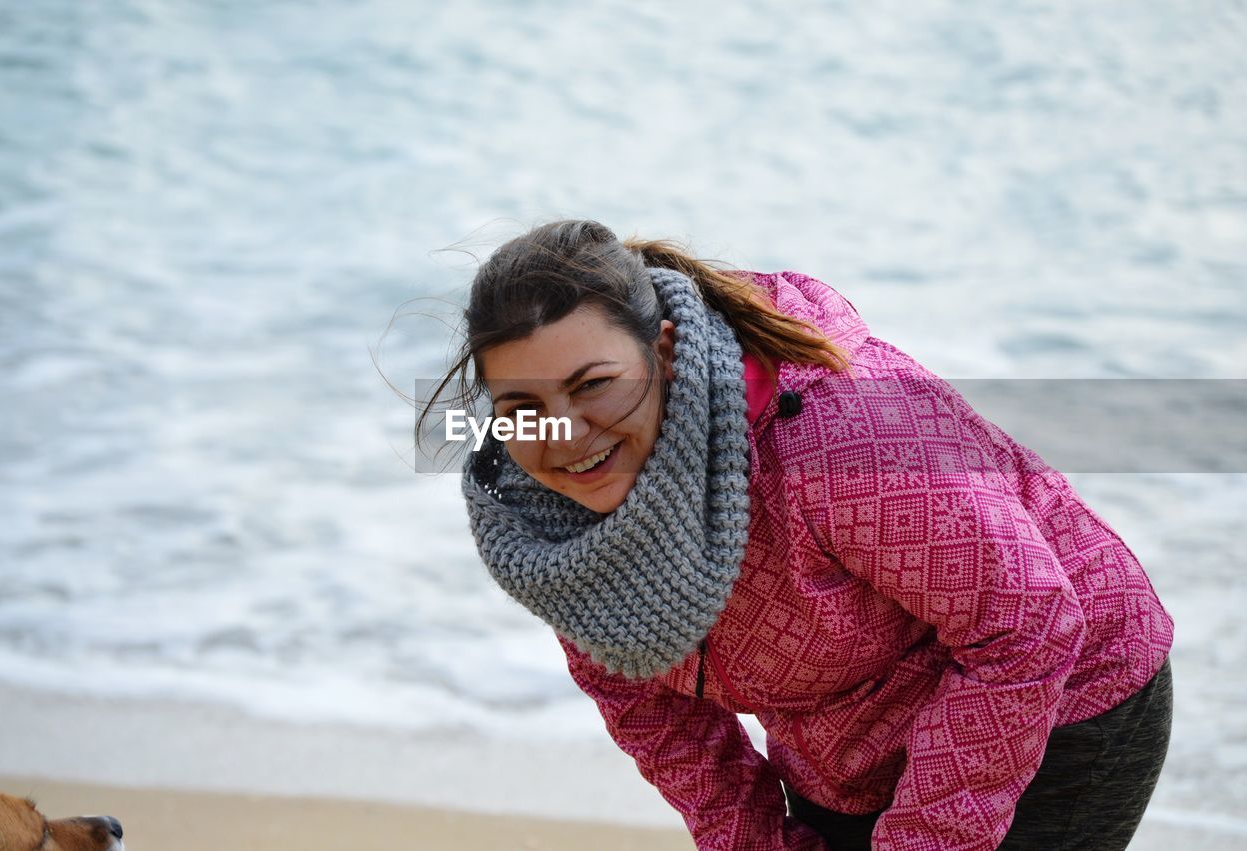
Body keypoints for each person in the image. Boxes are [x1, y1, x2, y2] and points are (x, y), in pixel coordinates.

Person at [421, 219, 1175, 851]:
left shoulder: (842, 440)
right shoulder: (552, 527)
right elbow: (662, 721)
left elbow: (1028, 623)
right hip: (844, 743)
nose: (567, 434)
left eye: (594, 384)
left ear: (667, 351)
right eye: (523, 405)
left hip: (1067, 687)